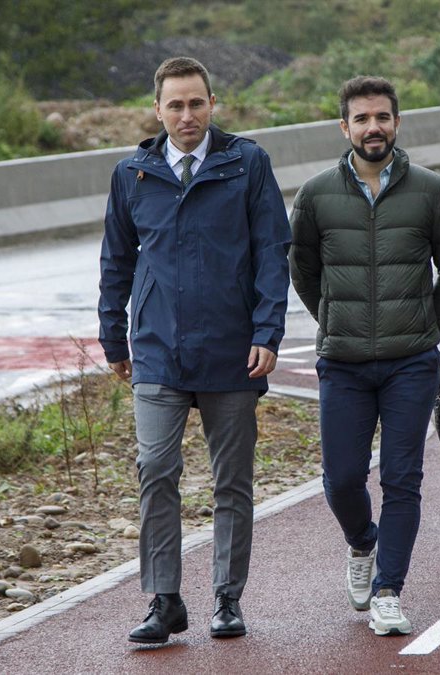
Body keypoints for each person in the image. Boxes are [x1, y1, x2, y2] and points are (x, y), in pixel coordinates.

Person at [98, 56, 291, 644]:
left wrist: (267, 331)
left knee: (231, 480)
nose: (187, 115)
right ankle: (164, 600)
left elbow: (271, 252)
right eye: (175, 105)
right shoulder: (133, 173)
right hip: (158, 349)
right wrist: (114, 336)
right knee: (156, 469)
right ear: (157, 110)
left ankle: (227, 598)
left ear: (213, 104)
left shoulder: (247, 164)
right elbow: (117, 260)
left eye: (196, 103)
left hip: (231, 351)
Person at [289, 76, 440, 637]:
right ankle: (362, 542)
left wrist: (423, 329)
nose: (374, 127)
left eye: (383, 117)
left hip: (409, 363)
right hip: (342, 362)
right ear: (344, 127)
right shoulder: (317, 195)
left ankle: (389, 590)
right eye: (362, 119)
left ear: (397, 122)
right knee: (342, 478)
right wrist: (336, 322)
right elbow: (303, 271)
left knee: (403, 479)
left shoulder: (433, 193)